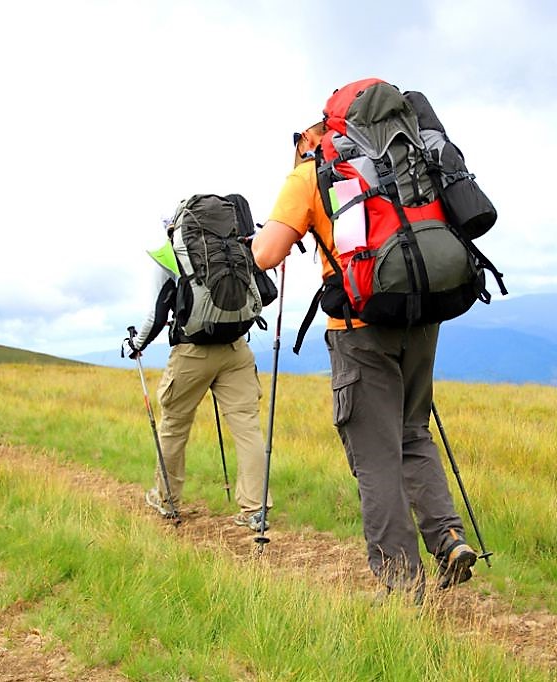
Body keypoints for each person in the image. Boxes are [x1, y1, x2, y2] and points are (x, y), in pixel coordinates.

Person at [251, 120, 477, 602]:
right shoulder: (401, 158)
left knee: (375, 459)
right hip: (421, 316)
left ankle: (401, 585)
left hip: (359, 329)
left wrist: (281, 226)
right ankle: (448, 538)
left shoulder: (313, 175)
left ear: (308, 140)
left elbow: (267, 254)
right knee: (413, 434)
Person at [126, 220, 271, 532]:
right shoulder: (231, 247)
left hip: (193, 352)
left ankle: (168, 501)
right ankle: (256, 509)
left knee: (174, 427)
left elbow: (157, 312)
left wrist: (137, 344)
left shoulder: (171, 254)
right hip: (236, 347)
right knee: (247, 427)